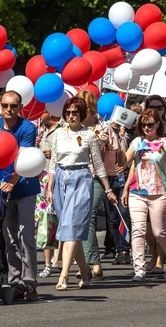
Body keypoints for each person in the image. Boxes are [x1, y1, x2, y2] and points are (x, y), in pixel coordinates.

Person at [46, 97, 114, 290]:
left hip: (81, 179)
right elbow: (53, 163)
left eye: (75, 112)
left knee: (71, 227)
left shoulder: (89, 135)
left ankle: (64, 274)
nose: (70, 116)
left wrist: (108, 189)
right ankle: (85, 273)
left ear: (82, 114)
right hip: (60, 178)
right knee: (70, 229)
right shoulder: (58, 133)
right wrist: (50, 188)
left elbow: (99, 165)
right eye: (67, 112)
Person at [0, 91, 39, 300]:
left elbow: (23, 158)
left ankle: (30, 282)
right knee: (9, 237)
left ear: (20, 107)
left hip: (24, 188)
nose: (9, 110)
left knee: (26, 236)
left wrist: (12, 182)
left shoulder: (27, 128)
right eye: (5, 106)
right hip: (0, 189)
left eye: (13, 106)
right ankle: (15, 282)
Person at [77, 90, 125, 280]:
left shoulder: (104, 127)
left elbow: (119, 152)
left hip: (98, 177)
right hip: (76, 176)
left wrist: (108, 149)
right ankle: (81, 263)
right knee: (79, 218)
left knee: (88, 216)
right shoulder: (73, 128)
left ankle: (94, 263)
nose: (79, 111)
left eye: (83, 108)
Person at [122, 109, 166, 281]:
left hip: (159, 192)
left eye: (150, 124)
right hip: (137, 192)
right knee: (138, 230)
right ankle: (139, 269)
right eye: (143, 124)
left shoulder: (164, 142)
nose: (147, 128)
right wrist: (120, 144)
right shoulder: (137, 142)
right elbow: (125, 163)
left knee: (159, 232)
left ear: (157, 124)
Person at [36, 112, 62, 278]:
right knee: (45, 222)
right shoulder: (43, 130)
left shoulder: (62, 130)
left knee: (58, 221)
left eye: (43, 109)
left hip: (57, 179)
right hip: (41, 179)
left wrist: (54, 156)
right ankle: (47, 264)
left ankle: (60, 259)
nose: (40, 112)